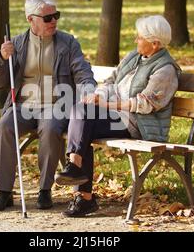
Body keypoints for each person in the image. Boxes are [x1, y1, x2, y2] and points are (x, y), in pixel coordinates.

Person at [55, 15, 181, 217]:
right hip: (116, 115)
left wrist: (107, 104)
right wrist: (98, 96)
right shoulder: (134, 57)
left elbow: (145, 104)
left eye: (140, 37)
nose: (136, 40)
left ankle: (81, 189)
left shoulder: (165, 70)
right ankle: (76, 170)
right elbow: (112, 81)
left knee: (83, 124)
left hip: (137, 124)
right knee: (80, 111)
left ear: (155, 43)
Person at [0, 0, 96, 211]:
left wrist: (88, 89)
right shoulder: (17, 43)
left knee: (49, 128)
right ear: (31, 19)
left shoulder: (68, 43)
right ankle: (4, 191)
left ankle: (44, 190)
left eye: (56, 16)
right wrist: (1, 58)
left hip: (56, 106)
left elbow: (82, 71)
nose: (54, 21)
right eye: (48, 18)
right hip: (22, 106)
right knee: (5, 126)